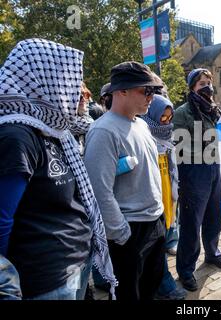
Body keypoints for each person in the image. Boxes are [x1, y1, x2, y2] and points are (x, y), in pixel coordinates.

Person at [0, 38, 116, 300]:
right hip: (45, 279)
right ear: (41, 79)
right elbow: (2, 220)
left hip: (74, 264)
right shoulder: (16, 135)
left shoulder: (52, 128)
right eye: (71, 81)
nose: (77, 91)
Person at [84, 61, 166, 301]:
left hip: (154, 223)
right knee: (128, 294)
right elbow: (99, 191)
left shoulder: (141, 124)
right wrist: (121, 234)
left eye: (154, 91)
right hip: (130, 229)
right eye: (146, 90)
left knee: (151, 288)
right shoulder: (103, 131)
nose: (152, 97)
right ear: (122, 91)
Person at [173, 68, 221, 292]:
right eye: (201, 84)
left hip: (214, 168)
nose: (207, 87)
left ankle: (213, 253)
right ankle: (186, 269)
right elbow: (180, 148)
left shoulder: (214, 111)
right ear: (192, 88)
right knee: (190, 224)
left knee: (214, 218)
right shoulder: (183, 112)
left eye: (209, 82)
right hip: (194, 172)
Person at [141, 94, 186, 300]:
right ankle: (164, 285)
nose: (166, 122)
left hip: (167, 193)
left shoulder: (166, 137)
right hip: (151, 197)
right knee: (156, 245)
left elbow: (172, 167)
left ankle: (159, 283)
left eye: (169, 118)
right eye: (162, 117)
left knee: (161, 238)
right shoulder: (143, 135)